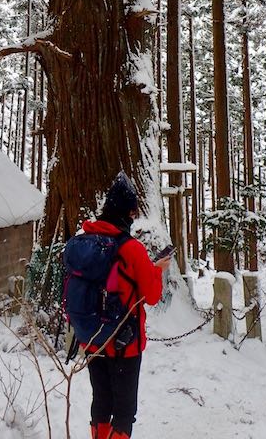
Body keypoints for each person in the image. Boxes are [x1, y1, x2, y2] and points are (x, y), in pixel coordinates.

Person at [80, 172, 171, 439]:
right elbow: (152, 295)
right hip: (124, 344)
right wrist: (157, 270)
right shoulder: (132, 249)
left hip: (93, 340)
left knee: (101, 403)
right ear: (127, 213)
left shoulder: (86, 240)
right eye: (132, 213)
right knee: (123, 412)